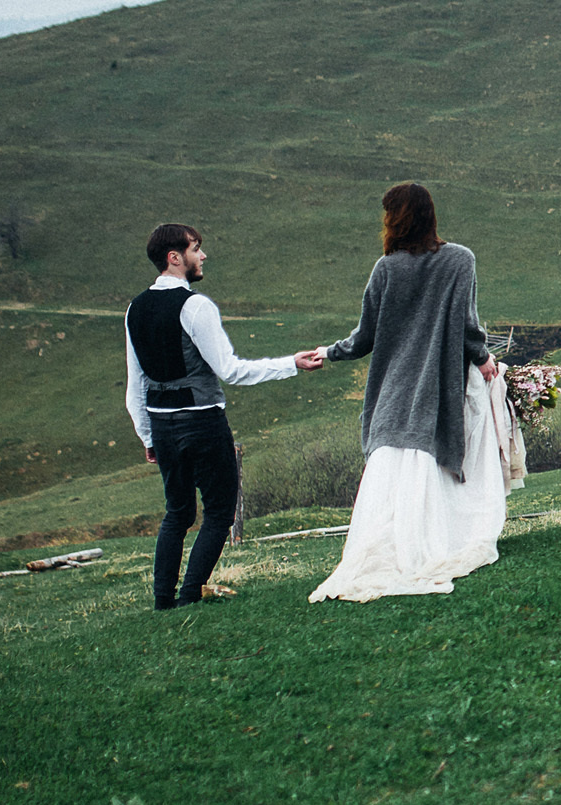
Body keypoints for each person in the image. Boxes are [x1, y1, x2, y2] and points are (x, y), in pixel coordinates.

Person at [308, 183, 513, 603]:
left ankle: (396, 553)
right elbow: (468, 325)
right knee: (430, 471)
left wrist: (328, 352)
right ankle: (437, 544)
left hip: (392, 395)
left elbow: (364, 337)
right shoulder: (460, 260)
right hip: (437, 389)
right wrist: (482, 358)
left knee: (390, 479)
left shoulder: (386, 269)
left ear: (395, 218)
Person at [123, 222, 325, 609]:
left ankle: (163, 601)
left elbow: (136, 386)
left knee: (177, 513)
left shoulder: (135, 309)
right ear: (175, 257)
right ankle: (189, 595)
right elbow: (230, 370)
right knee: (219, 511)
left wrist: (147, 436)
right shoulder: (195, 306)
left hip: (162, 425)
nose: (203, 256)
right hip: (202, 423)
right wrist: (291, 364)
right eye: (196, 249)